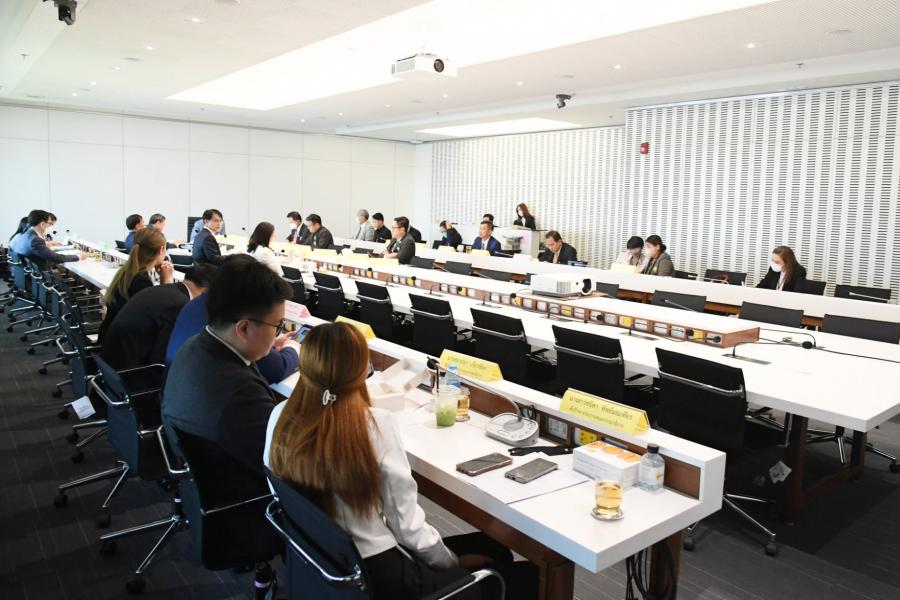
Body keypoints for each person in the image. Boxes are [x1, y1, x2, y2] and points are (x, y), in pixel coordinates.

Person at [264, 322, 537, 600]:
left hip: (326, 566)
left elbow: (280, 494)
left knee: (493, 549)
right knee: (526, 576)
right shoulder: (374, 424)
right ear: (361, 370)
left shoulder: (280, 416)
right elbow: (407, 526)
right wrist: (451, 563)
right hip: (379, 577)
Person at [163, 255, 293, 563]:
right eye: (276, 325)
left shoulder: (195, 347)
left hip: (210, 487)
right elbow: (287, 466)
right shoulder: (238, 392)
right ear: (244, 328)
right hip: (246, 508)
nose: (277, 332)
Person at [165, 260, 300, 385]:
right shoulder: (243, 392)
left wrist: (270, 340)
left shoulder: (196, 306)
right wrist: (292, 347)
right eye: (277, 325)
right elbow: (276, 370)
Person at [101, 264, 217, 371]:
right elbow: (163, 357)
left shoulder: (167, 290)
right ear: (206, 291)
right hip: (128, 371)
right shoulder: (179, 305)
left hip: (111, 362)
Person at [99, 228, 174, 342]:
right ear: (161, 250)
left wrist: (163, 281)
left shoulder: (128, 272)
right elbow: (161, 313)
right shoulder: (141, 281)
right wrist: (168, 281)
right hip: (122, 344)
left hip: (111, 337)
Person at [9, 210, 87, 268]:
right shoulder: (35, 240)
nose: (51, 226)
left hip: (31, 274)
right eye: (50, 223)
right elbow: (56, 258)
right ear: (42, 224)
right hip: (41, 275)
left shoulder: (25, 235)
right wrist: (79, 256)